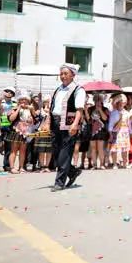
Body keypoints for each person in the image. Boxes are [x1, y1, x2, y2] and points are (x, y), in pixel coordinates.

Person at [50, 63, 87, 191]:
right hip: (55, 123)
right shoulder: (58, 89)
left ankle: (59, 182)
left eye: (66, 74)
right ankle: (72, 171)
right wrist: (47, 123)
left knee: (64, 154)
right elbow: (53, 108)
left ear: (73, 75)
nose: (63, 76)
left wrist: (75, 124)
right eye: (61, 74)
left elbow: (79, 109)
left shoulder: (78, 90)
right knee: (56, 152)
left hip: (68, 124)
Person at [108, 94, 132, 169]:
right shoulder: (113, 113)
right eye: (120, 102)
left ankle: (125, 163)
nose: (121, 104)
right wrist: (110, 133)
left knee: (125, 149)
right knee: (114, 149)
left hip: (125, 132)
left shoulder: (127, 113)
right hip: (116, 132)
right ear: (117, 103)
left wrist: (131, 132)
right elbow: (111, 124)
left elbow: (129, 123)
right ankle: (115, 164)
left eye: (123, 102)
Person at [34, 97, 53, 173]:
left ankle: (47, 166)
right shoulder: (40, 111)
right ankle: (42, 166)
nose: (47, 103)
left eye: (48, 102)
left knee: (49, 150)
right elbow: (36, 119)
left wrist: (49, 112)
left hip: (50, 132)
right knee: (41, 150)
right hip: (41, 131)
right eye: (45, 102)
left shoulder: (53, 111)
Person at [0, 87, 16, 172]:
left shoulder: (15, 104)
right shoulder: (0, 102)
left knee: (8, 147)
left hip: (9, 127)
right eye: (7, 91)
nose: (9, 93)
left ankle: (6, 165)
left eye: (11, 92)